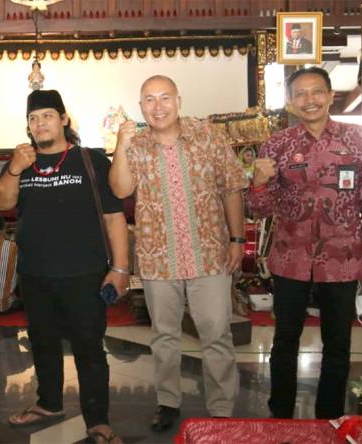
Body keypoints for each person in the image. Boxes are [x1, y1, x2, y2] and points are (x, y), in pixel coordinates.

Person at [109, 75, 246, 431]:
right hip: (159, 256)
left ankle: (221, 408)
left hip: (210, 254)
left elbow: (232, 187)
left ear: (178, 100)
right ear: (141, 106)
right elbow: (121, 189)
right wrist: (121, 145)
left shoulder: (208, 135)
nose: (158, 107)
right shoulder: (135, 145)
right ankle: (168, 401)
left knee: (216, 333)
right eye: (149, 99)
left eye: (165, 97)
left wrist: (237, 239)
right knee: (164, 336)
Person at [0, 89, 129, 444]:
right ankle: (48, 403)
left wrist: (121, 268)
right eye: (33, 118)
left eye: (47, 116)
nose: (40, 124)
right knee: (42, 343)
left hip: (84, 273)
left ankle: (98, 420)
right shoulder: (21, 162)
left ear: (64, 119)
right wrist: (14, 168)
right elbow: (3, 202)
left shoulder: (90, 160)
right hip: (35, 273)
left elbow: (114, 217)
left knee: (89, 347)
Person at [248, 66, 362, 419]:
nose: (309, 100)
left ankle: (328, 419)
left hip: (343, 259)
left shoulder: (357, 140)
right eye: (300, 93)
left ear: (331, 96)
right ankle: (281, 416)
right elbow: (260, 210)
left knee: (338, 345)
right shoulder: (277, 145)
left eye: (317, 92)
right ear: (290, 101)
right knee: (285, 341)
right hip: (291, 260)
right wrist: (258, 182)